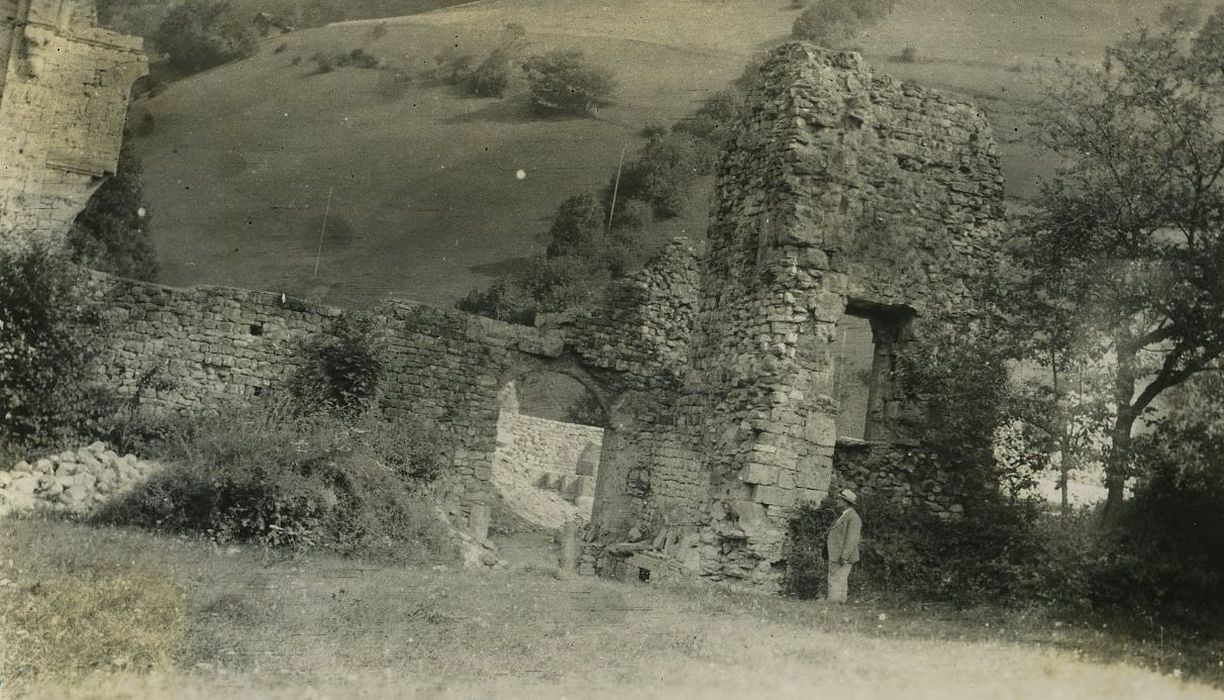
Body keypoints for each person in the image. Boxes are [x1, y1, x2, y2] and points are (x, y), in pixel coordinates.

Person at [825, 488, 861, 604]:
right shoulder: (843, 515)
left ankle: (835, 603)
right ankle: (838, 603)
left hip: (842, 556)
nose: (837, 502)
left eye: (840, 500)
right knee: (836, 578)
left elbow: (852, 540)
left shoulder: (853, 518)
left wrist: (844, 556)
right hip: (836, 554)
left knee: (838, 579)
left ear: (846, 503)